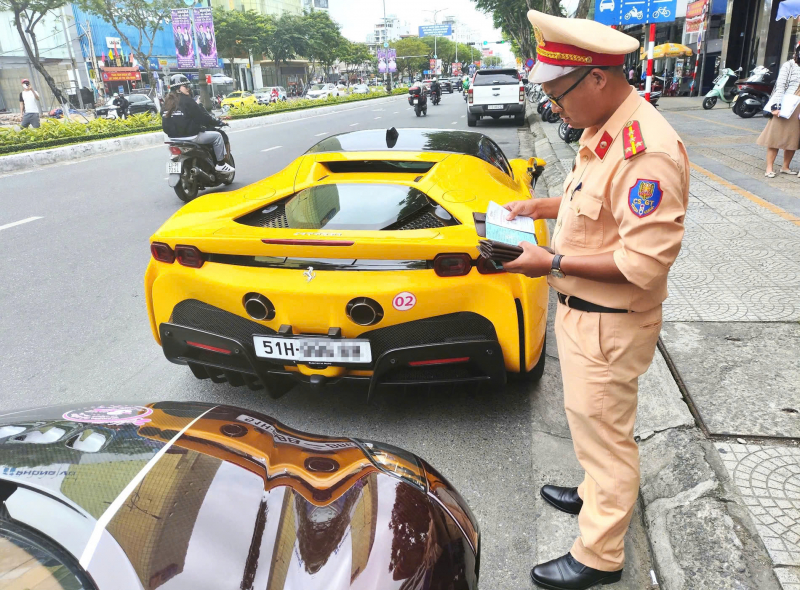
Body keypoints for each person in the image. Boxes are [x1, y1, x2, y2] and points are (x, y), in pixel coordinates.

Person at [502, 10, 689, 590]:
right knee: (588, 422)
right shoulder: (603, 127)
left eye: (557, 94)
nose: (551, 107)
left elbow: (641, 263)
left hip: (608, 321)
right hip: (583, 316)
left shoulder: (645, 152)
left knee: (606, 434)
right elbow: (590, 199)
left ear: (598, 80)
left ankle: (599, 555)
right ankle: (591, 494)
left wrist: (549, 262)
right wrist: (540, 208)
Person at [162, 74, 234, 173]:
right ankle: (221, 164)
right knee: (217, 136)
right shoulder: (187, 101)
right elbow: (202, 118)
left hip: (173, 139)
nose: (188, 88)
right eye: (185, 86)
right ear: (178, 88)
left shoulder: (166, 102)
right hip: (191, 137)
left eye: (188, 86)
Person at [756, 44, 800, 177]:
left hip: (798, 106)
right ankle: (769, 168)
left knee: (793, 138)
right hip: (786, 104)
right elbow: (780, 86)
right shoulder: (790, 65)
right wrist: (776, 106)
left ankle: (785, 167)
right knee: (775, 137)